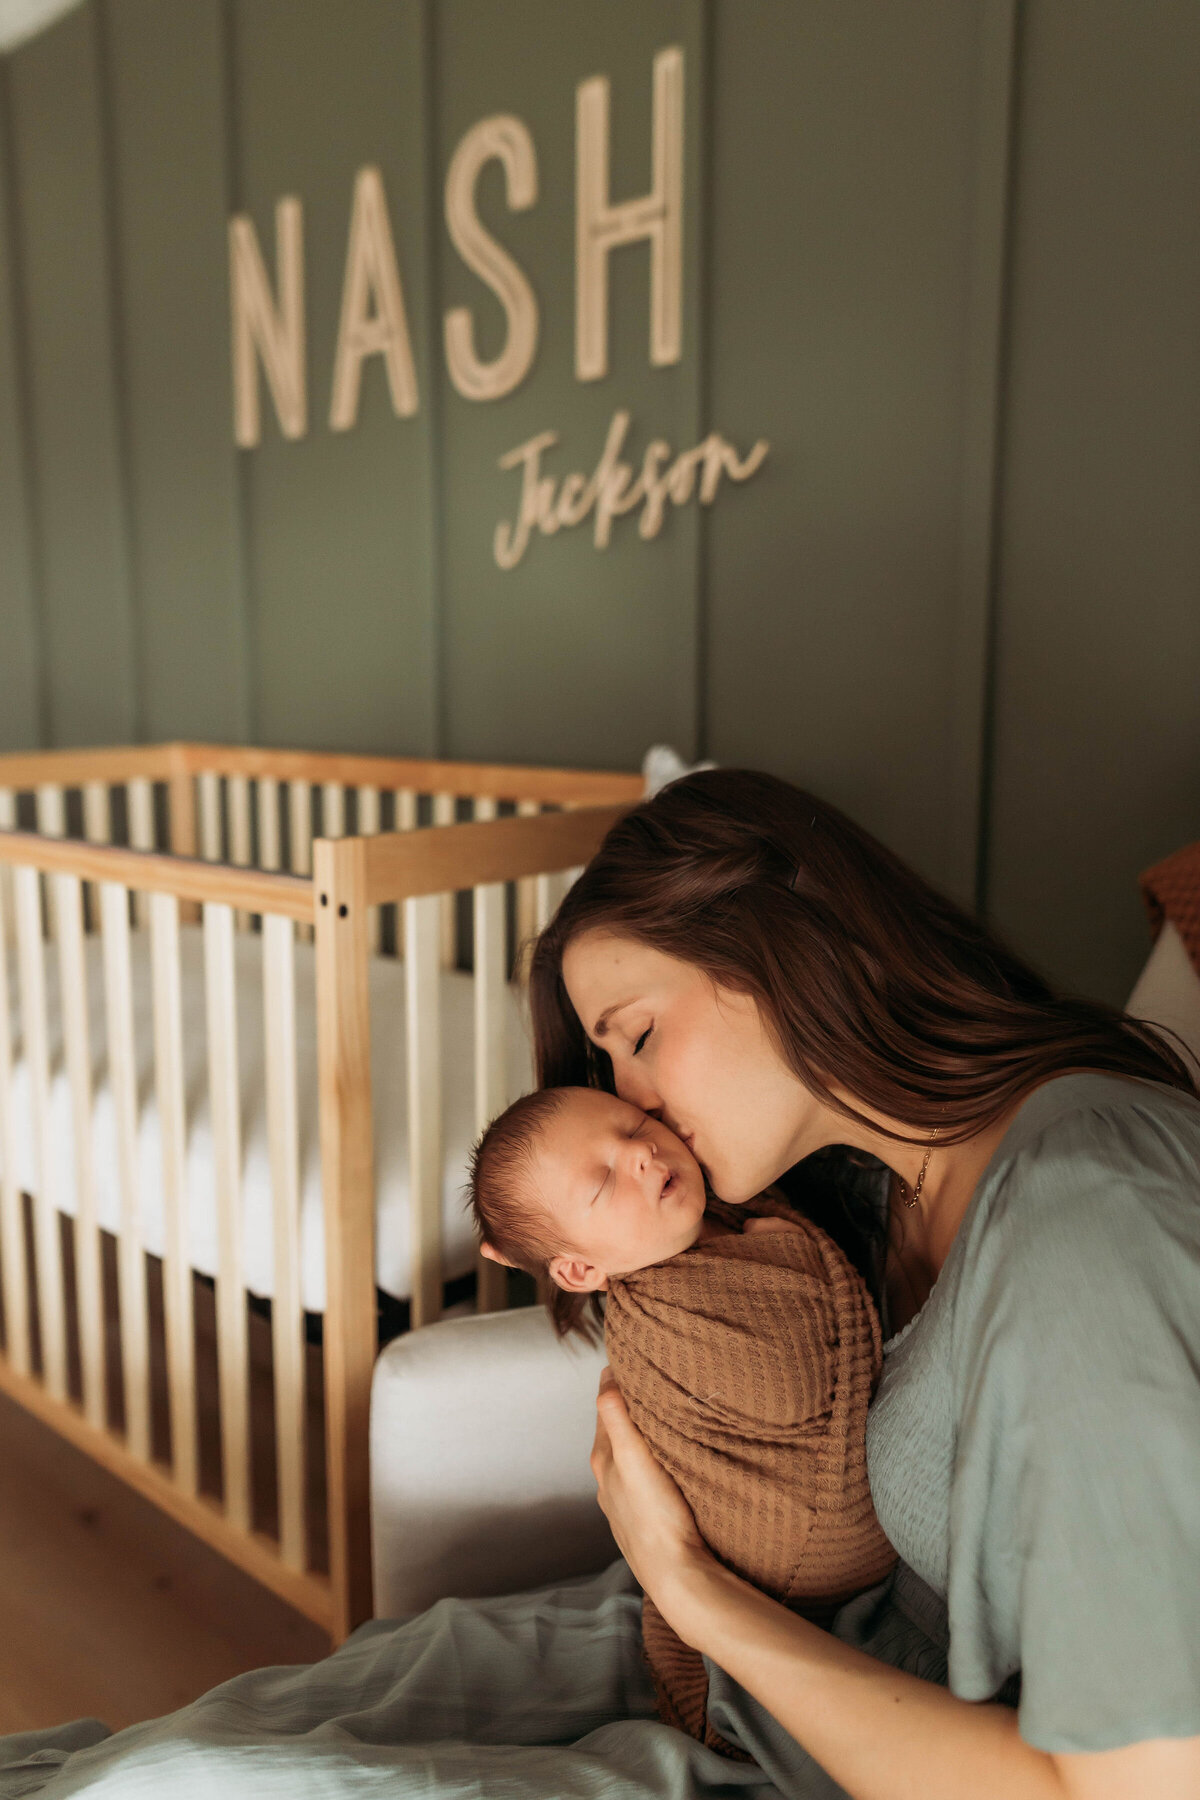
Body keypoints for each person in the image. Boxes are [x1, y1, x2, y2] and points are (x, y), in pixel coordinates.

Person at [526, 767, 1200, 1798]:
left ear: (788, 936)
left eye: (642, 1037)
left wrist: (691, 1592)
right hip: (782, 1680)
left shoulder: (1082, 1210)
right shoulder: (867, 1195)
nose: (636, 1106)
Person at [467, 1084, 896, 1751]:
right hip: (775, 1579)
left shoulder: (730, 1210)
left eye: (634, 1124)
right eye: (602, 1181)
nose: (638, 1153)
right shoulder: (665, 1323)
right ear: (580, 1269)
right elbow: (790, 1389)